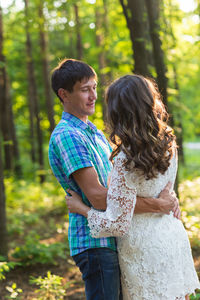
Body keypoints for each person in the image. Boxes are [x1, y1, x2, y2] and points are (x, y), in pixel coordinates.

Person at [49, 59, 180, 300]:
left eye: (95, 87)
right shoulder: (69, 136)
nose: (93, 96)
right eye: (84, 89)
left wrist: (165, 196)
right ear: (64, 94)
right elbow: (99, 198)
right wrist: (159, 204)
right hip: (95, 244)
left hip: (116, 237)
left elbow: (125, 187)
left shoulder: (95, 133)